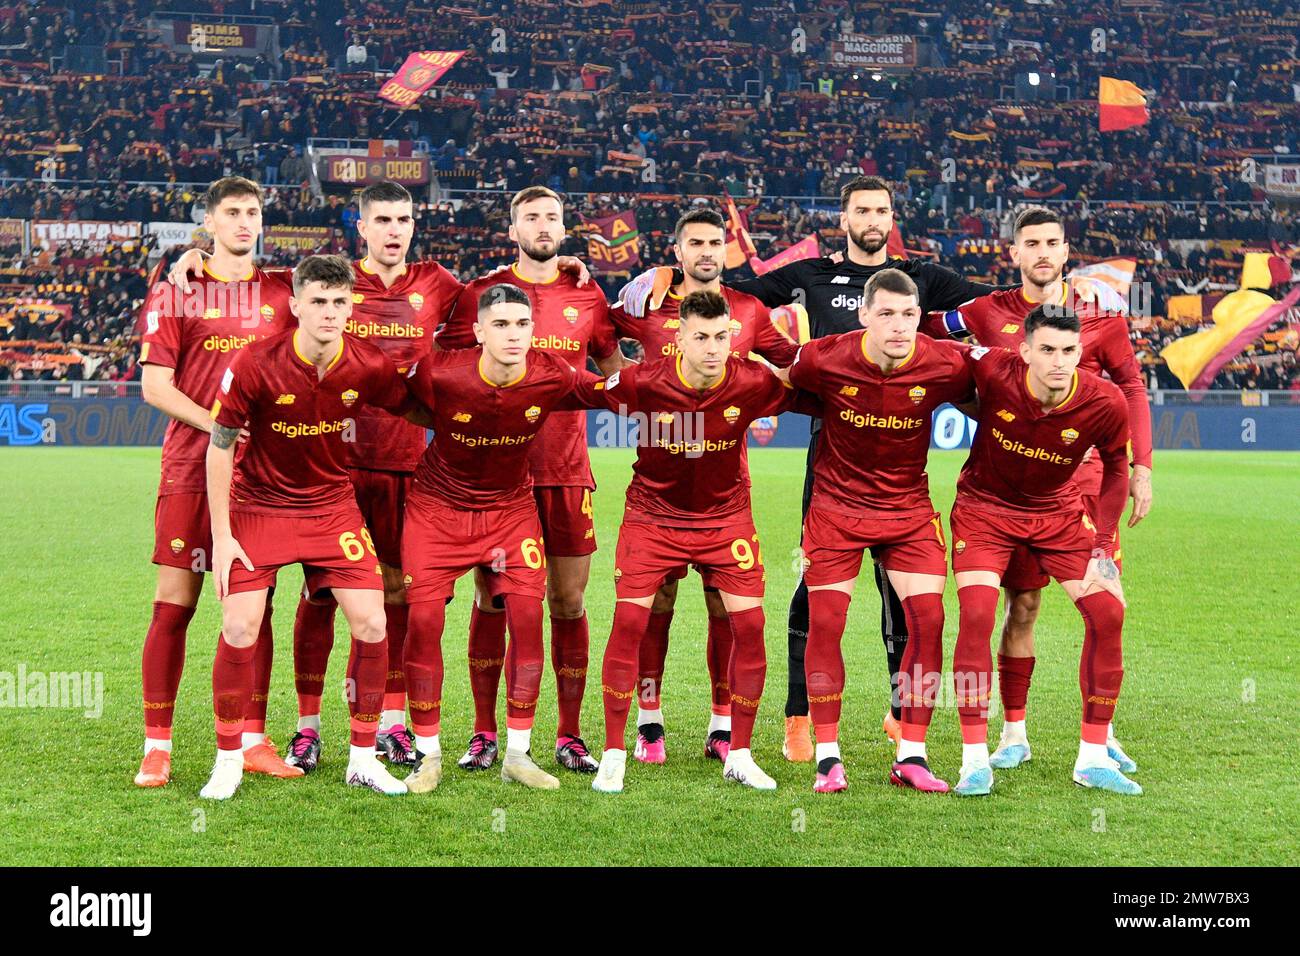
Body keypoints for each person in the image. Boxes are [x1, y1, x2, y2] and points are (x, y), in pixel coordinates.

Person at [617, 175, 1003, 762]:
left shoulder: (920, 275)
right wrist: (654, 279)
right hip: (825, 464)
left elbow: (994, 303)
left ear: (892, 216)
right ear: (843, 217)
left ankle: (901, 722)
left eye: (881, 209)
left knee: (907, 605)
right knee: (806, 598)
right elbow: (723, 303)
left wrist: (1063, 293)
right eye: (860, 209)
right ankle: (796, 719)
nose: (871, 218)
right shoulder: (807, 275)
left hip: (896, 468)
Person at [924, 205, 1153, 772]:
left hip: (1085, 484)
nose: (1044, 252)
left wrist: (1142, 465)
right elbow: (922, 329)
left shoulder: (1102, 317)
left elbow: (1131, 386)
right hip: (1007, 482)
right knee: (1020, 605)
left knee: (1106, 602)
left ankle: (1101, 735)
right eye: (1033, 243)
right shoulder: (982, 313)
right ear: (1015, 253)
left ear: (1066, 250)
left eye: (1054, 242)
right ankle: (1012, 732)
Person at [202, 254, 417, 800]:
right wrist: (223, 537)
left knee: (372, 622)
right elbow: (219, 447)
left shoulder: (366, 364)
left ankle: (364, 759)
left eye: (339, 302)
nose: (329, 312)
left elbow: (418, 407)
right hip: (260, 507)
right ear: (295, 305)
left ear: (351, 308)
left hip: (330, 508)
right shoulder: (253, 363)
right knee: (240, 628)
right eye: (318, 301)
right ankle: (228, 758)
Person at [589, 290, 810, 794]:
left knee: (751, 624)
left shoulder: (751, 381)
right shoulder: (642, 382)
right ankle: (614, 752)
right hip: (653, 517)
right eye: (701, 337)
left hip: (725, 518)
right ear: (679, 338)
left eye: (720, 337)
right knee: (628, 620)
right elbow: (579, 393)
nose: (712, 348)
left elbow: (810, 392)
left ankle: (741, 752)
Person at [436, 186, 623, 775]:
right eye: (532, 218)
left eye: (553, 217)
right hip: (496, 478)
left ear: (564, 227)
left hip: (566, 472)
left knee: (567, 602)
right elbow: (446, 369)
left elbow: (614, 372)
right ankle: (484, 733)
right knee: (493, 601)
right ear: (512, 229)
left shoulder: (585, 291)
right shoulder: (480, 295)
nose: (544, 226)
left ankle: (568, 735)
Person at [400, 283, 605, 793]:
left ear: (533, 330)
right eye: (500, 325)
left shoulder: (552, 373)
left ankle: (518, 752)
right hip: (437, 509)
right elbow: (391, 397)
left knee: (529, 616)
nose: (512, 335)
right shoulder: (440, 371)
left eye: (521, 324)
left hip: (511, 511)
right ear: (477, 332)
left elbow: (616, 390)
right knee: (423, 619)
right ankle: (428, 756)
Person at [780, 269, 974, 793]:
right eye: (885, 314)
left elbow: (995, 385)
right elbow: (777, 385)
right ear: (863, 314)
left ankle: (911, 754)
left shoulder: (944, 361)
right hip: (836, 511)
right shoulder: (823, 356)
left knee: (929, 622)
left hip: (907, 511)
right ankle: (827, 756)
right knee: (827, 623)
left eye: (908, 315)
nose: (898, 326)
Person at [134, 176, 296, 788]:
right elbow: (155, 386)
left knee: (256, 609)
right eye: (232, 212)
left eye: (253, 212)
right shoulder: (178, 290)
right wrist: (222, 427)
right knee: (174, 604)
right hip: (190, 467)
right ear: (209, 221)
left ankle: (253, 737)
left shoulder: (282, 291)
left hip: (261, 476)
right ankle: (158, 744)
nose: (245, 222)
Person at [948, 304, 1140, 796]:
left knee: (1108, 611)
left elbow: (1118, 469)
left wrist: (1102, 545)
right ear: (1025, 350)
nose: (1059, 361)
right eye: (1048, 350)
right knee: (977, 614)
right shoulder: (993, 368)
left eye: (1069, 351)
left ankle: (1093, 756)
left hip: (1056, 515)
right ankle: (974, 759)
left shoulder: (1104, 402)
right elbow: (935, 353)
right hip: (984, 510)